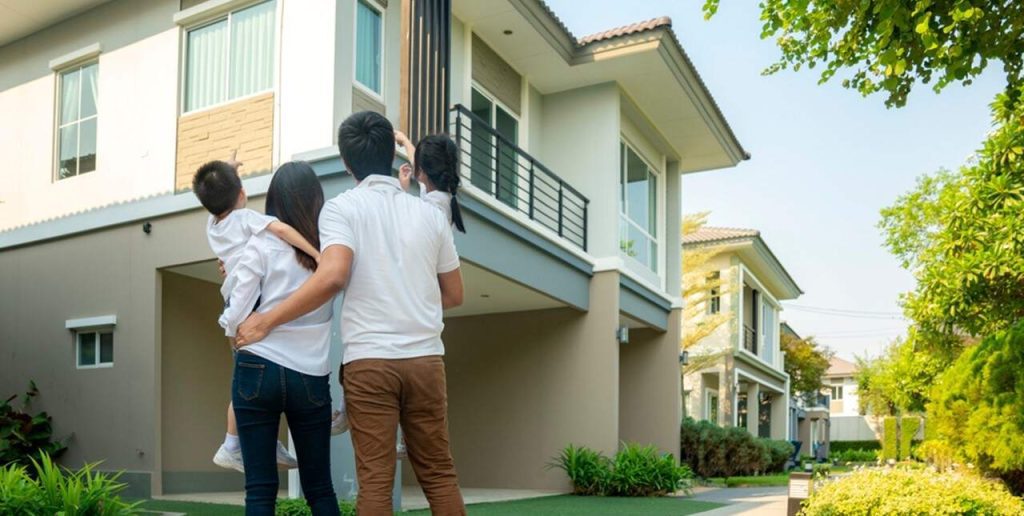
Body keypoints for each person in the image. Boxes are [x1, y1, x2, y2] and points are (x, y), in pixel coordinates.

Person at [235, 111, 467, 516]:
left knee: (375, 482)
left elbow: (333, 276)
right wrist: (411, 298)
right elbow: (454, 294)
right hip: (427, 362)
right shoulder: (429, 214)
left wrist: (264, 321)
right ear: (393, 158)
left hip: (370, 364)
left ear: (346, 163)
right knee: (439, 474)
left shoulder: (341, 209)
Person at [220, 161, 340, 515]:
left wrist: (227, 285)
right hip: (311, 377)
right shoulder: (330, 253)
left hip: (258, 367)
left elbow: (240, 309)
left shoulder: (259, 245)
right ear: (316, 201)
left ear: (273, 202)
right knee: (320, 488)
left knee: (259, 491)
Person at [192, 159, 318, 472]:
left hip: (234, 301)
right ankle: (231, 445)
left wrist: (229, 173)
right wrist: (317, 254)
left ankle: (245, 441)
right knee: (251, 378)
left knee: (247, 380)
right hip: (249, 303)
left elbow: (217, 194)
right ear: (242, 194)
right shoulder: (247, 218)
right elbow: (282, 228)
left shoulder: (213, 226)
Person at [395, 131, 466, 233]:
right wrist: (405, 141)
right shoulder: (439, 193)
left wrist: (402, 189)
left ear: (423, 172)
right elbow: (415, 161)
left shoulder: (431, 208)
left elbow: (401, 227)